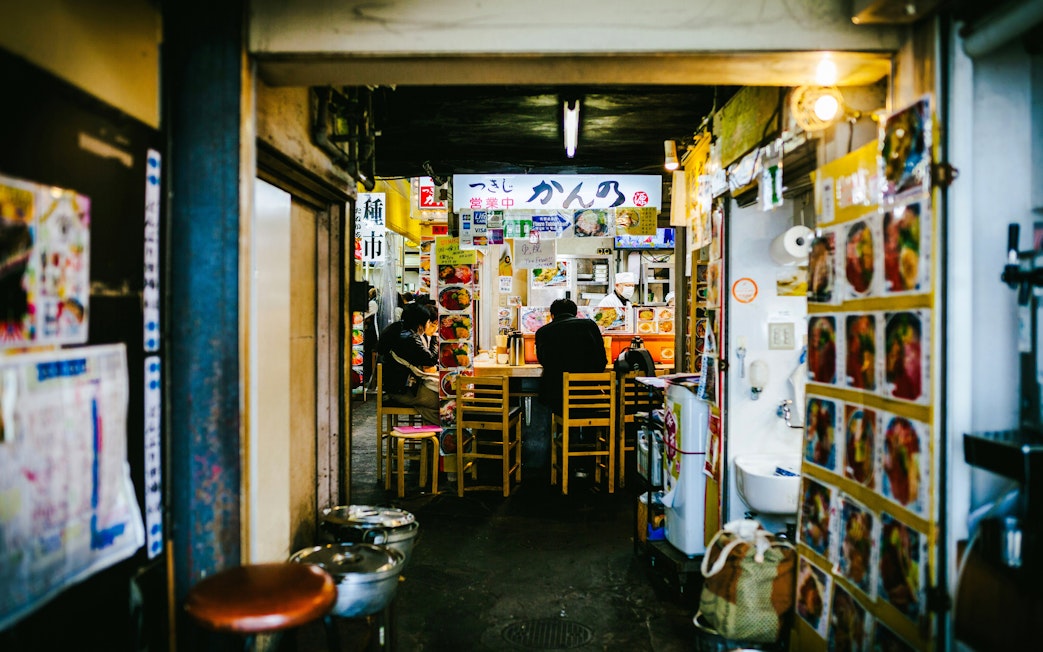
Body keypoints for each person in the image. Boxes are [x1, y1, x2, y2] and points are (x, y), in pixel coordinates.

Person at [535, 298, 607, 415]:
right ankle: (588, 432)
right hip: (590, 395)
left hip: (558, 397)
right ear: (575, 313)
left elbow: (544, 361)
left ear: (552, 315)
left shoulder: (543, 332)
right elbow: (602, 361)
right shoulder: (590, 326)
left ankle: (554, 432)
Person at [378, 303, 439, 424]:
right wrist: (434, 339)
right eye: (428, 321)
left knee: (430, 407)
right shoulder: (409, 338)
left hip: (398, 387)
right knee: (441, 402)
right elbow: (430, 360)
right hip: (403, 390)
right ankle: (439, 436)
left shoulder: (398, 329)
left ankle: (432, 437)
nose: (429, 325)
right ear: (419, 321)